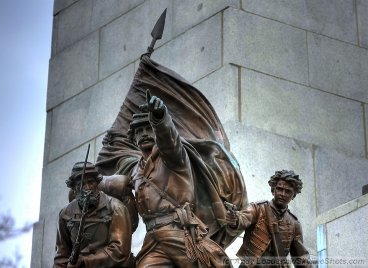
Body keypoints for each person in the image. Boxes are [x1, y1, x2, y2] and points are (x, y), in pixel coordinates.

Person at [128, 91, 232, 268]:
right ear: (133, 138)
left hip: (180, 233)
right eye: (139, 131)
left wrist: (160, 119)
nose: (144, 134)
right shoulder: (134, 170)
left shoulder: (173, 156)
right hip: (153, 239)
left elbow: (169, 140)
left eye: (148, 129)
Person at [53, 162, 132, 268]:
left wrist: (85, 261)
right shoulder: (65, 214)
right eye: (81, 184)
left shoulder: (115, 208)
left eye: (91, 182)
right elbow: (61, 256)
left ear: (97, 183)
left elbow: (120, 251)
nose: (87, 188)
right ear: (74, 189)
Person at [226, 170, 311, 268]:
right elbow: (243, 218)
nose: (283, 194)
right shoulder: (257, 208)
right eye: (279, 189)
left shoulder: (294, 223)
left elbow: (301, 257)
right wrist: (234, 219)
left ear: (294, 195)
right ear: (273, 190)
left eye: (288, 191)